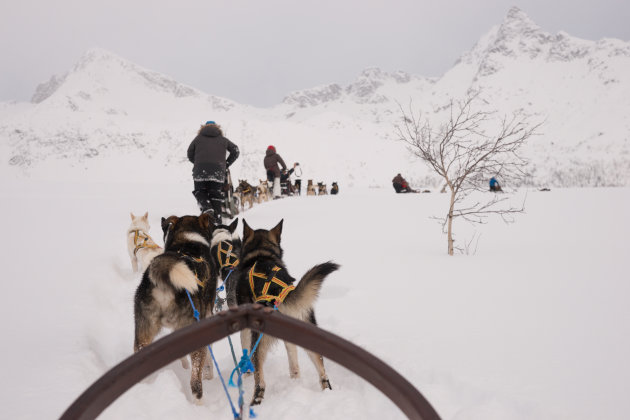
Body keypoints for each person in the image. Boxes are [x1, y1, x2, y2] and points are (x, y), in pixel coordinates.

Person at [187, 121, 239, 223]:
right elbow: (236, 150)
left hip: (200, 171)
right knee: (215, 196)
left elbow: (189, 153)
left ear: (203, 128)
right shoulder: (223, 140)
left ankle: (206, 207)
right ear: (217, 127)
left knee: (200, 191)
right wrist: (226, 164)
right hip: (218, 172)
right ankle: (217, 223)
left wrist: (198, 163)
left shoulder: (198, 139)